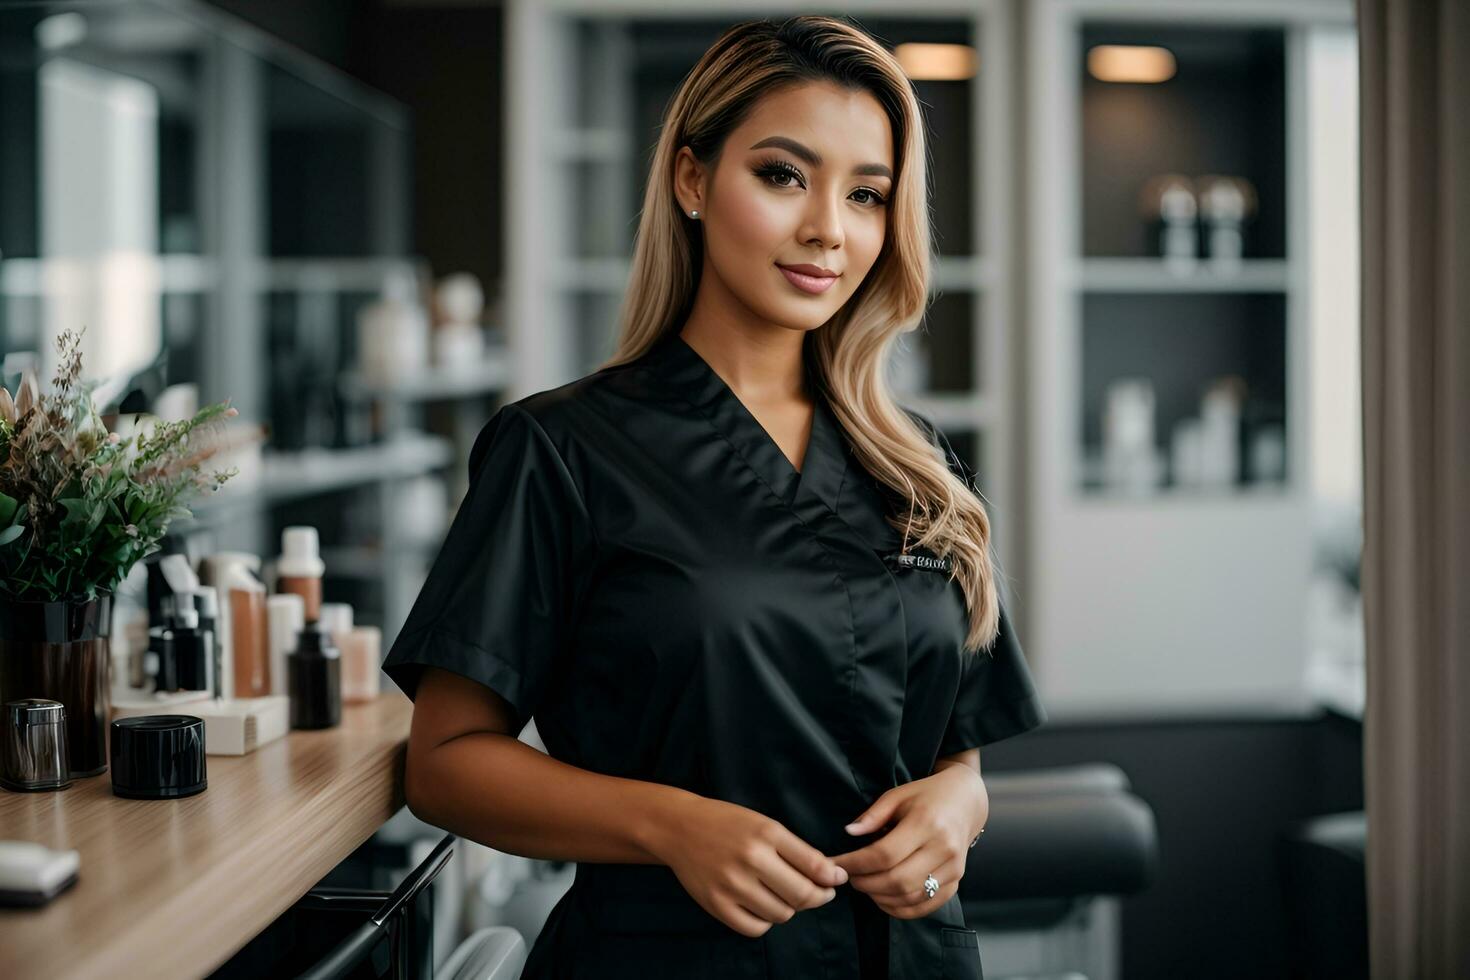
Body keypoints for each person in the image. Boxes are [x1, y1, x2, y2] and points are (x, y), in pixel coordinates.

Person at [381, 14, 1047, 979]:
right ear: (692, 178)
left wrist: (960, 807)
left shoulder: (917, 464)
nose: (828, 226)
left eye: (867, 194)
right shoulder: (561, 452)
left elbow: (954, 747)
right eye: (783, 175)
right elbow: (444, 764)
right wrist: (669, 825)